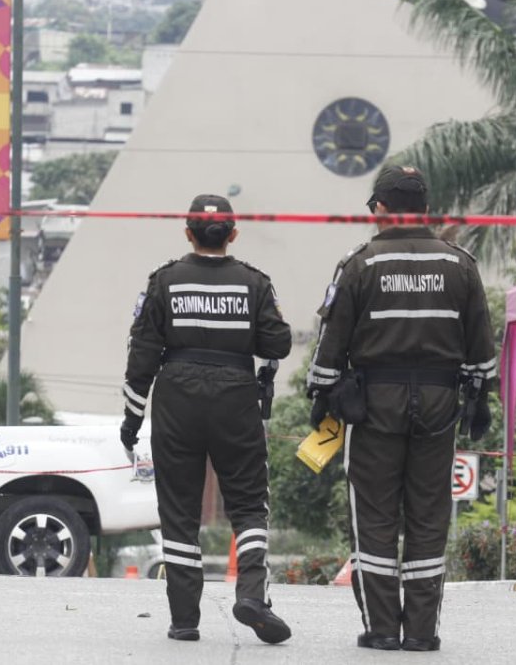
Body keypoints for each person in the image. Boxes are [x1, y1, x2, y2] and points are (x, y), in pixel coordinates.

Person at [306, 165, 496, 652]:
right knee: (429, 517)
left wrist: (321, 396)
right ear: (426, 210)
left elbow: (331, 343)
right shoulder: (460, 265)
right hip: (439, 406)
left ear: (381, 209)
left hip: (373, 406)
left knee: (374, 517)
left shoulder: (360, 264)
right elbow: (481, 344)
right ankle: (422, 632)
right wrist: (479, 398)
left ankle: (383, 628)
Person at [120, 194, 293, 645]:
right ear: (232, 234)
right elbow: (278, 343)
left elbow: (142, 354)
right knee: (249, 504)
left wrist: (132, 419)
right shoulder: (254, 282)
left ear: (187, 233)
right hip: (236, 396)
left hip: (176, 397)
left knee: (179, 511)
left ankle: (184, 620)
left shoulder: (164, 280)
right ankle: (251, 593)